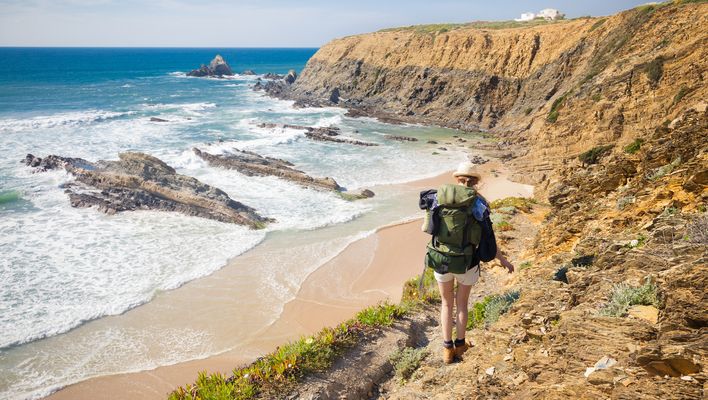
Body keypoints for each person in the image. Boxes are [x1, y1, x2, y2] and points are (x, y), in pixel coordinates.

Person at [434, 161, 514, 364]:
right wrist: (502, 259)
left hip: (441, 259)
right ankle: (460, 346)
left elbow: (427, 227)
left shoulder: (440, 197)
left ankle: (446, 349)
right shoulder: (479, 203)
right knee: (461, 304)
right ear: (475, 182)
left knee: (446, 303)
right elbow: (489, 237)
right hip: (467, 261)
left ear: (457, 179)